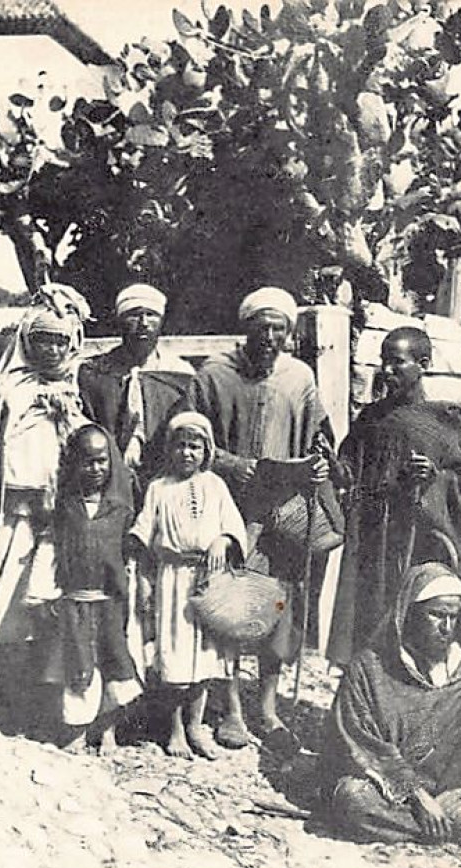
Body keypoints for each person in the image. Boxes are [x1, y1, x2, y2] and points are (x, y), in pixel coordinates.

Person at [193, 286, 330, 749]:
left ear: (290, 333)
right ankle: (230, 708)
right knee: (231, 603)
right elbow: (189, 442)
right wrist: (231, 464)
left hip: (283, 511)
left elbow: (320, 439)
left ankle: (267, 707)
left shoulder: (300, 378)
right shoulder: (214, 375)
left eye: (280, 329)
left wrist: (319, 466)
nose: (270, 337)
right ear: (245, 327)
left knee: (278, 605)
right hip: (230, 507)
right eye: (262, 327)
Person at [320, 562, 461, 853]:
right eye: (436, 615)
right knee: (352, 800)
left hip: (449, 786)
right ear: (409, 614)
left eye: (454, 618)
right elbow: (363, 744)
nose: (447, 628)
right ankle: (451, 824)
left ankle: (447, 818)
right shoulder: (369, 669)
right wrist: (416, 795)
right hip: (391, 792)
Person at [0, 284, 91, 732]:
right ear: (27, 341)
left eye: (60, 340)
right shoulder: (6, 391)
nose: (52, 349)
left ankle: (31, 700)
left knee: (48, 611)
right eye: (43, 339)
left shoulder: (75, 391)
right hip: (12, 515)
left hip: (58, 521)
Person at [327, 325, 461, 668]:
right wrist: (337, 470)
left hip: (419, 544)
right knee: (369, 617)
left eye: (397, 362)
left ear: (423, 364)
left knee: (414, 620)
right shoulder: (371, 419)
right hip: (374, 541)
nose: (387, 370)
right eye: (383, 362)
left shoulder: (443, 422)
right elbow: (351, 468)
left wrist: (435, 480)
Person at [127, 412, 247, 760]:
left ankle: (196, 722)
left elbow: (232, 526)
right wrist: (145, 577)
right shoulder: (159, 488)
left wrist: (222, 541)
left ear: (206, 450)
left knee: (206, 657)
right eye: (180, 445)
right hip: (173, 580)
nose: (187, 453)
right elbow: (143, 532)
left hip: (208, 581)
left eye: (195, 446)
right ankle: (175, 726)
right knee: (175, 655)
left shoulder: (215, 485)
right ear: (170, 449)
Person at [31, 424, 141, 753]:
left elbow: (129, 557)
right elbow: (50, 550)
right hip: (75, 602)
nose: (95, 469)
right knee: (78, 666)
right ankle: (77, 730)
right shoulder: (66, 509)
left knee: (114, 665)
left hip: (109, 603)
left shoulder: (121, 510)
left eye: (102, 461)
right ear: (74, 464)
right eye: (87, 462)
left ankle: (106, 728)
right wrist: (40, 594)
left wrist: (135, 594)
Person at [77, 284, 194, 486]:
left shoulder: (180, 373)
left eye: (151, 315)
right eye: (133, 315)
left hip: (164, 478)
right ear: (119, 321)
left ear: (161, 321)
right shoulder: (96, 372)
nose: (143, 323)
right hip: (106, 477)